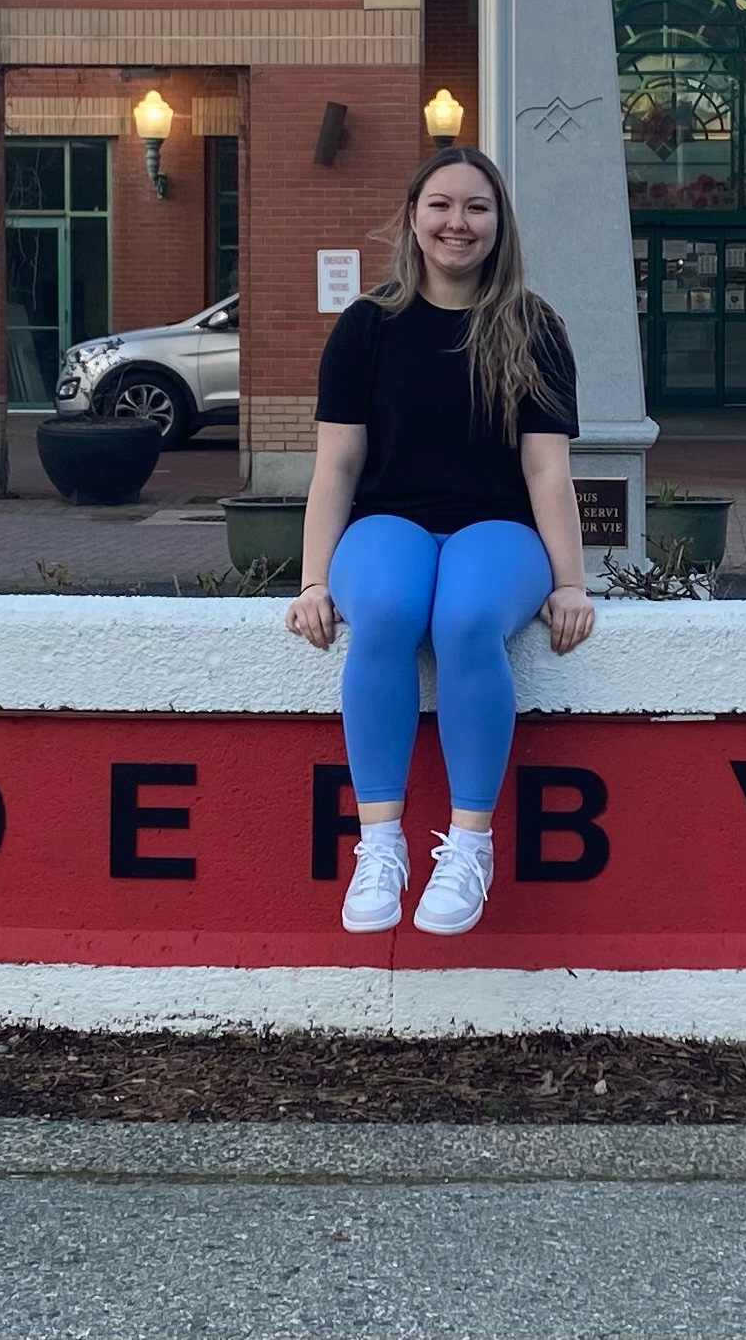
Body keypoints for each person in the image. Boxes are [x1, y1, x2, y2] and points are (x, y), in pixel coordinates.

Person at [284, 143, 596, 935]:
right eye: (442, 205)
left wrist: (570, 582)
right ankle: (379, 845)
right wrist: (313, 579)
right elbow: (338, 464)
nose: (459, 222)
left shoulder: (533, 327)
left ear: (499, 223)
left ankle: (467, 844)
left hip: (497, 528)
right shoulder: (367, 326)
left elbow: (546, 469)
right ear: (414, 217)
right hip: (387, 522)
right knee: (386, 608)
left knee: (462, 618)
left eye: (477, 207)